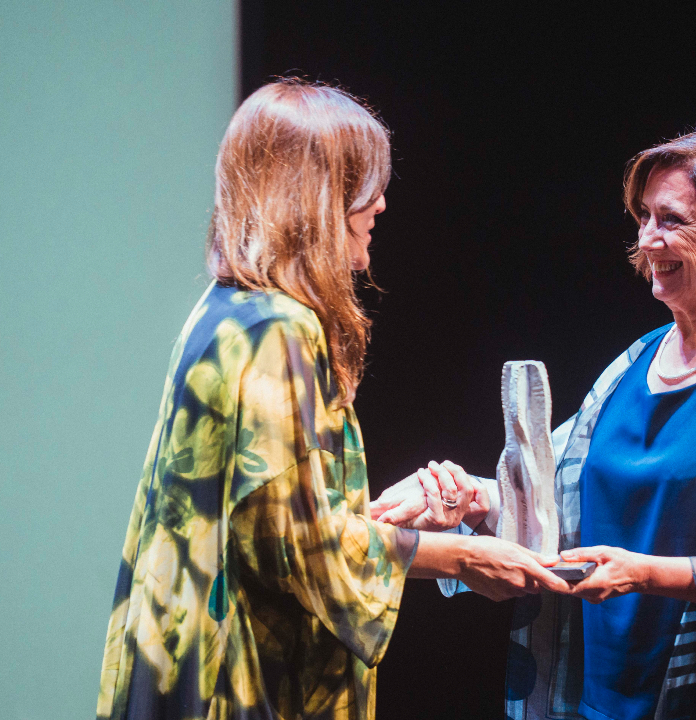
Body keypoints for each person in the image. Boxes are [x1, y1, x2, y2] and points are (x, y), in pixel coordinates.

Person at [373, 119, 696, 720]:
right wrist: (466, 497)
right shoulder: (636, 363)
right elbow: (559, 505)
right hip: (605, 691)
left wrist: (644, 574)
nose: (648, 239)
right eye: (644, 217)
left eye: (672, 220)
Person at [95, 79, 568, 720]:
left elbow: (269, 519)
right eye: (363, 182)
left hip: (188, 654)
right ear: (316, 194)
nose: (380, 203)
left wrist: (377, 520)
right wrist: (461, 557)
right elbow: (295, 550)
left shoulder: (225, 312)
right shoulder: (280, 328)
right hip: (240, 679)